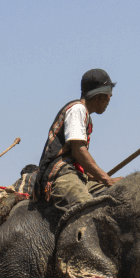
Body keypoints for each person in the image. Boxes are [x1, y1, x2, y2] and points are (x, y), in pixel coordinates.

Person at [33, 68, 120, 217]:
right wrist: (107, 179)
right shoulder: (77, 109)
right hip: (60, 175)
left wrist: (95, 177)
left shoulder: (85, 115)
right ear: (99, 96)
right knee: (89, 211)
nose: (109, 101)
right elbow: (78, 151)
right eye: (109, 96)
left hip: (75, 174)